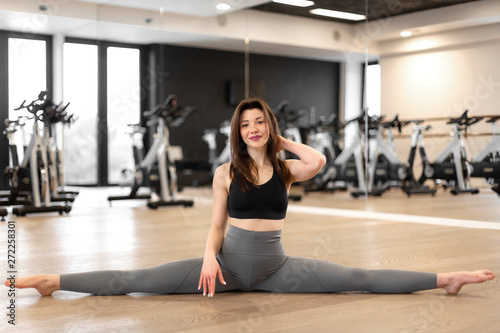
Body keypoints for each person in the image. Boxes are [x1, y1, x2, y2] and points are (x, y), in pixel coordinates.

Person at [5, 98, 495, 297]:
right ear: (238, 131)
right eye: (247, 124)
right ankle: (53, 281)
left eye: (260, 122)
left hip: (277, 269)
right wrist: (207, 259)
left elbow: (319, 162)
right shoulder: (225, 171)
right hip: (228, 266)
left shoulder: (284, 167)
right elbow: (216, 226)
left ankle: (445, 279)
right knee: (136, 280)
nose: (254, 129)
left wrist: (280, 141)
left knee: (359, 277)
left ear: (269, 128)